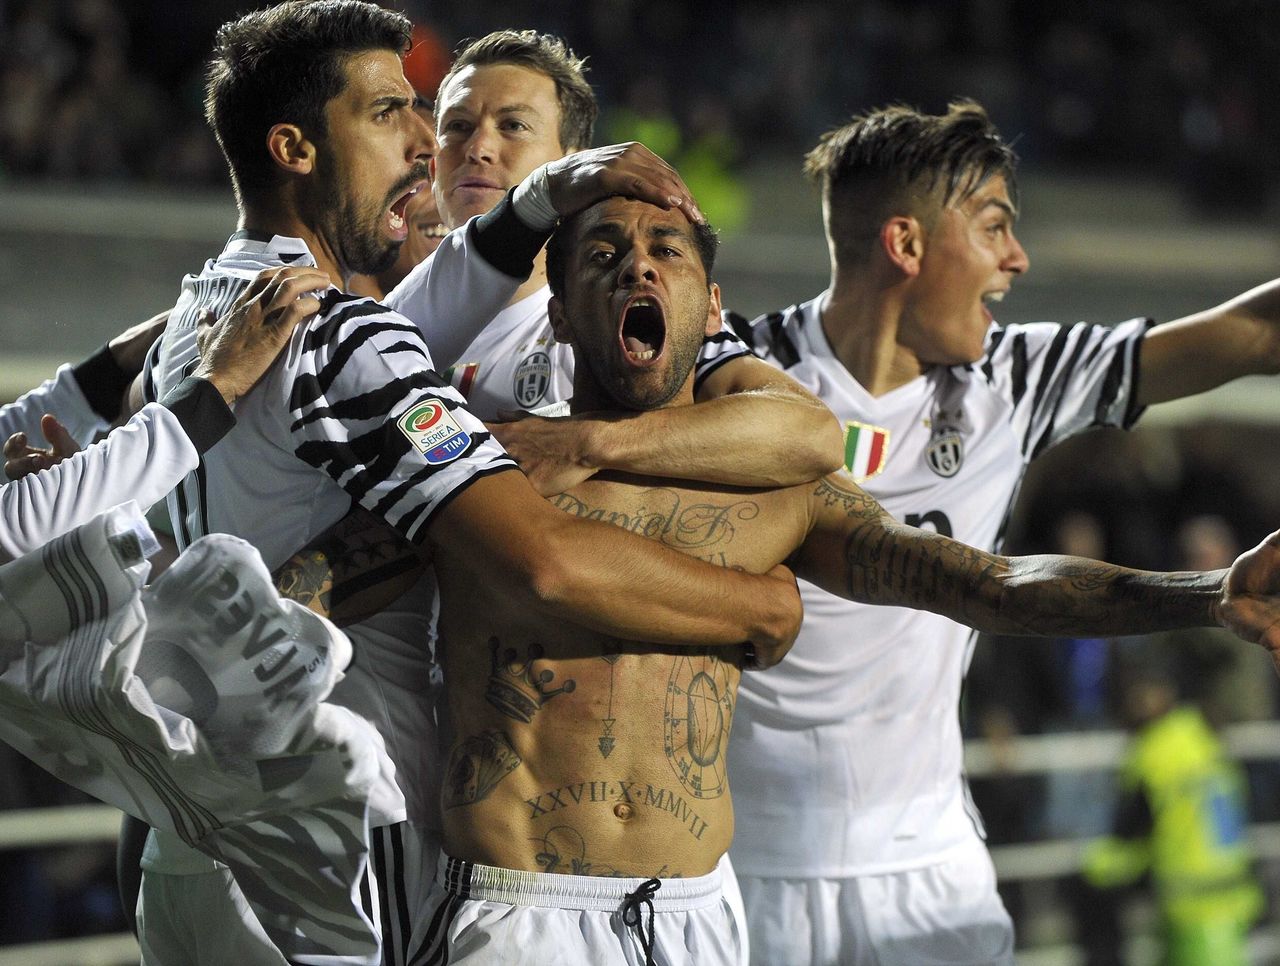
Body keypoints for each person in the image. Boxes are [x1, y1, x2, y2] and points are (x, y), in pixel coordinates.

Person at [406, 194, 1280, 966]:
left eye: (666, 250)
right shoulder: (489, 467)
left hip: (699, 915)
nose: (638, 265)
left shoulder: (777, 488)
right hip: (518, 913)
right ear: (558, 314)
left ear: (712, 310)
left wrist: (1207, 595)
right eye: (604, 255)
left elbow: (991, 586)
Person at [133, 5, 802, 965]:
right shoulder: (354, 334)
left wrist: (538, 212)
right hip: (340, 824)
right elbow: (542, 561)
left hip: (198, 826)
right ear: (295, 148)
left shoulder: (205, 313)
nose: (427, 146)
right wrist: (757, 608)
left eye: (508, 127)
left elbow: (805, 431)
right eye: (395, 116)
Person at [708, 100, 1280, 965]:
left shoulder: (1012, 378)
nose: (1018, 258)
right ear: (905, 244)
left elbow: (1256, 332)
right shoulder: (729, 380)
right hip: (742, 872)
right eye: (994, 226)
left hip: (929, 867)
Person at [385, 30, 843, 494]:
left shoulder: (607, 310)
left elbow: (811, 432)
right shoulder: (378, 304)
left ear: (573, 165)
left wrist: (582, 441)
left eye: (513, 126)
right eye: (458, 126)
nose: (478, 148)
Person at [1081, 663, 1262, 966]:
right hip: (1233, 893)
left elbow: (1133, 836)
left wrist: (1093, 869)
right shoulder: (1201, 734)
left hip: (1193, 904)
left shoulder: (1154, 752)